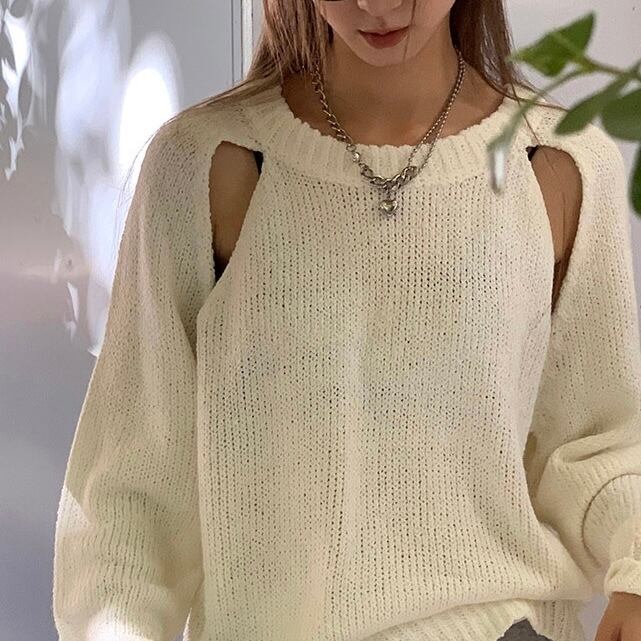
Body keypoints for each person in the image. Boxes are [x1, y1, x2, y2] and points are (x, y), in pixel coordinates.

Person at [52, 1, 641, 641]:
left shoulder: (556, 164)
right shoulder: (214, 163)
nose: (375, 5)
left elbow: (597, 440)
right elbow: (132, 494)